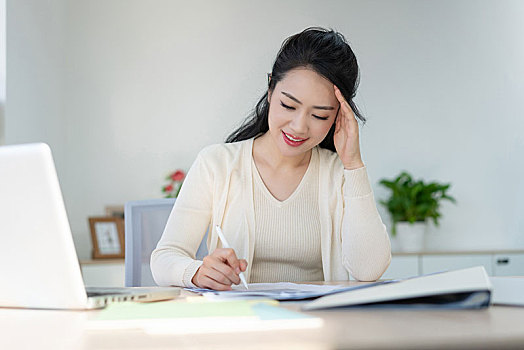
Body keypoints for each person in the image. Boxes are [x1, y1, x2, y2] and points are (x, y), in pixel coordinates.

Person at [151, 27, 391, 291]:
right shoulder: (217, 164)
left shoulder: (339, 173)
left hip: (318, 325)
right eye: (289, 106)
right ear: (270, 89)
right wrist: (196, 272)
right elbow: (165, 256)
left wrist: (354, 164)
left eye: (320, 115)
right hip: (241, 323)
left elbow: (369, 269)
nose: (299, 127)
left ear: (339, 115)